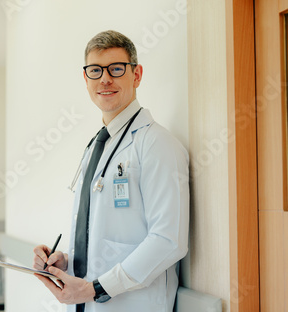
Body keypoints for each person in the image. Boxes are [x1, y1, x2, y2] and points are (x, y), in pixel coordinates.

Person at [33, 30, 189, 312]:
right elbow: (112, 236)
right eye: (95, 70)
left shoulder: (157, 144)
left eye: (116, 69)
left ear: (137, 75)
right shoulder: (97, 146)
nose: (105, 79)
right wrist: (67, 261)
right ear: (86, 79)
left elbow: (169, 241)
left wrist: (97, 288)